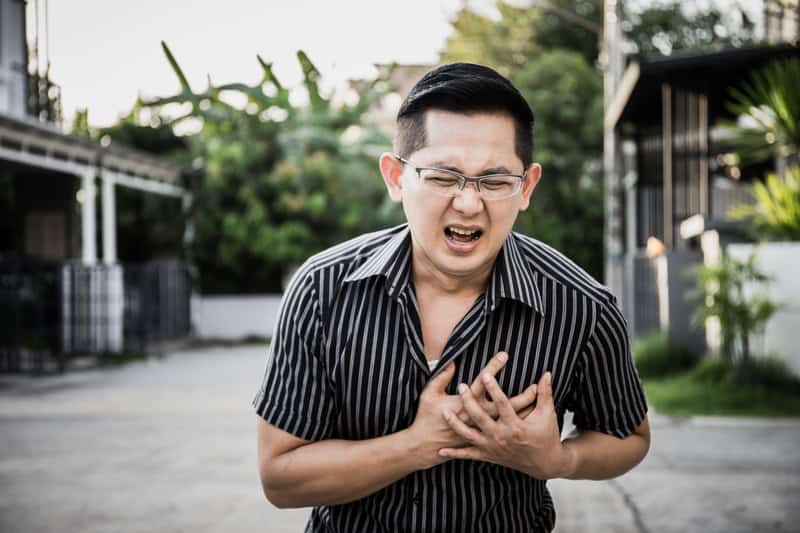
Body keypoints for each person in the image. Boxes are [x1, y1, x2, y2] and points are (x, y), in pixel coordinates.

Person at [253, 62, 650, 532]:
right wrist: (416, 445)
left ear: (527, 187)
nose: (468, 202)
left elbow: (629, 437)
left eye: (495, 181)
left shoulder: (581, 307)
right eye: (443, 176)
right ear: (396, 177)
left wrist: (557, 458)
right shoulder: (322, 291)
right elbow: (280, 478)